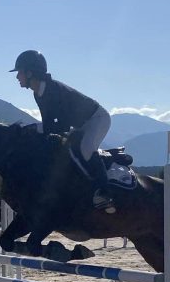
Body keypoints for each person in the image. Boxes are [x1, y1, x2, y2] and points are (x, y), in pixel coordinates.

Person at [10, 49, 115, 213]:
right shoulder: (39, 94)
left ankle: (105, 193)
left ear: (30, 73)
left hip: (97, 119)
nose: (17, 77)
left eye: (19, 73)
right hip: (80, 124)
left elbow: (60, 127)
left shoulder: (54, 91)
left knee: (86, 148)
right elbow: (48, 125)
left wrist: (32, 128)